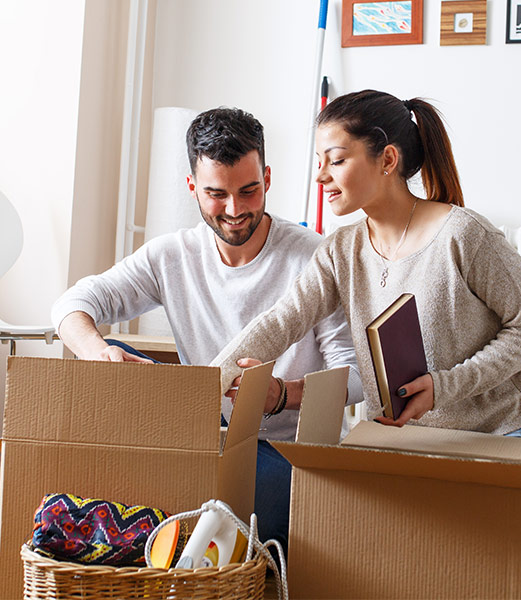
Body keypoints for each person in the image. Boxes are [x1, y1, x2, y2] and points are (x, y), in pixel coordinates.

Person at [211, 89, 521, 500]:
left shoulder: (463, 235)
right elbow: (282, 320)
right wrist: (204, 387)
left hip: (512, 435)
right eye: (319, 162)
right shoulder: (341, 251)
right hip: (412, 447)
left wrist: (444, 386)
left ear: (387, 160)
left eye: (336, 160)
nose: (320, 176)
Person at [51, 107, 364, 553]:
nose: (235, 210)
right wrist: (97, 352)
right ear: (192, 188)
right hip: (198, 438)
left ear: (268, 179)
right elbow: (71, 304)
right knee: (109, 355)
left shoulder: (316, 258)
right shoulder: (172, 256)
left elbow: (354, 376)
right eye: (217, 194)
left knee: (224, 510)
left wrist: (281, 395)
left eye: (249, 191)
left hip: (284, 451)